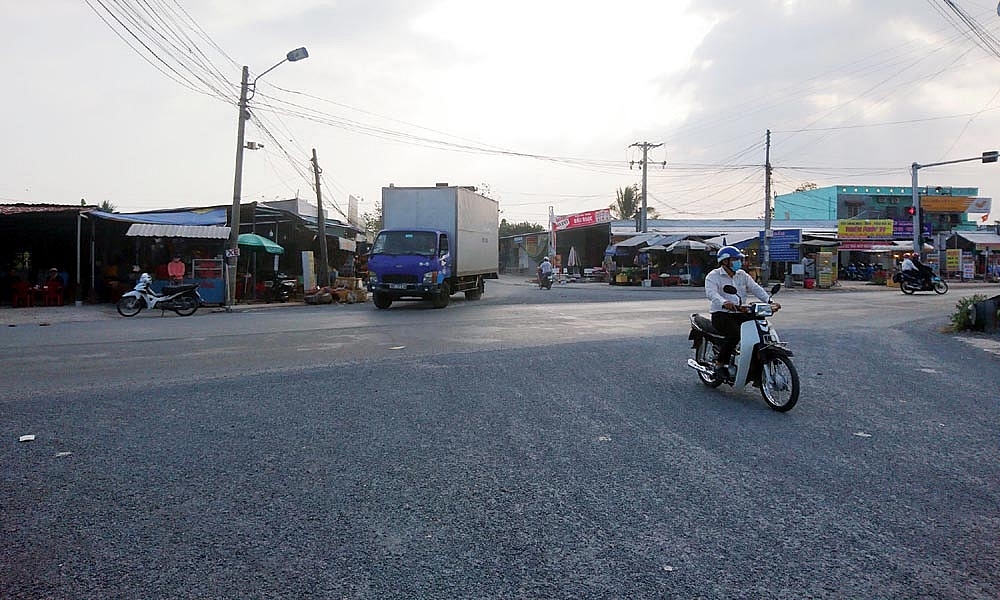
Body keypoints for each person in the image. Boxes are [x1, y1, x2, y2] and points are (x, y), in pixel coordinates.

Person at [705, 246, 779, 375]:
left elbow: (755, 288)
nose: (738, 262)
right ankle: (720, 364)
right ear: (725, 261)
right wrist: (724, 303)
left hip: (741, 312)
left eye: (739, 259)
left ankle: (756, 359)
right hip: (722, 314)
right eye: (735, 259)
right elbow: (711, 293)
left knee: (760, 327)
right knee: (734, 334)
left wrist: (769, 301)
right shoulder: (713, 276)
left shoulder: (742, 274)